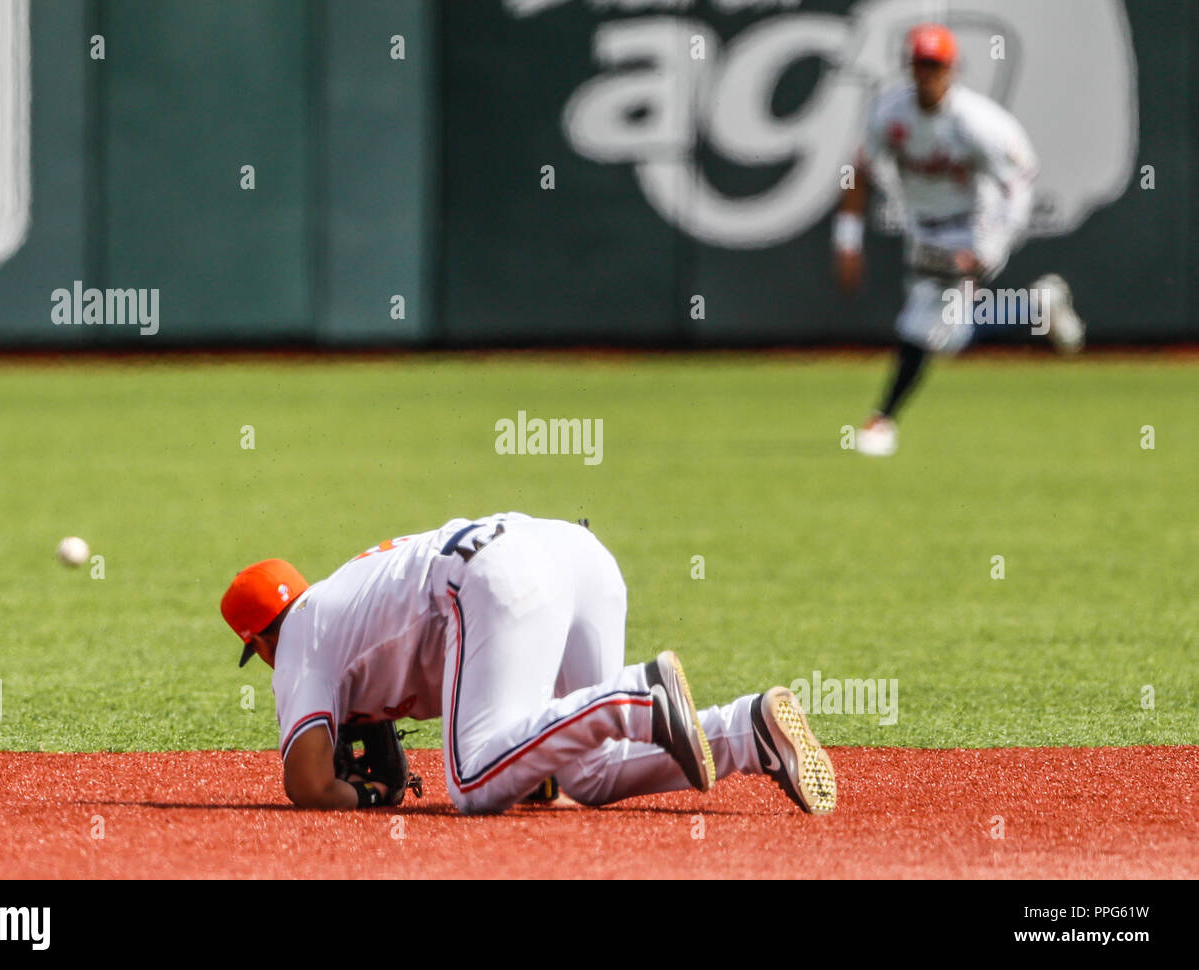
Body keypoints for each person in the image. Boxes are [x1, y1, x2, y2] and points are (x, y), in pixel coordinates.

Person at [219, 511, 836, 815]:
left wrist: (372, 798)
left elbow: (306, 784)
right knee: (585, 775)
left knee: (472, 785)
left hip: (496, 576)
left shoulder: (299, 634)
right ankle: (749, 731)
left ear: (261, 640)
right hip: (575, 551)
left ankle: (637, 697)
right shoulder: (341, 598)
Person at [835, 23, 1086, 457]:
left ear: (952, 69)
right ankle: (1034, 307)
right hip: (922, 230)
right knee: (946, 337)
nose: (927, 73)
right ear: (908, 67)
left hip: (973, 225)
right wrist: (847, 240)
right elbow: (859, 170)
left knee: (919, 323)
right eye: (921, 64)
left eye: (936, 65)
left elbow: (1020, 178)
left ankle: (881, 421)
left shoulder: (976, 121)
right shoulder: (889, 112)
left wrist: (994, 244)